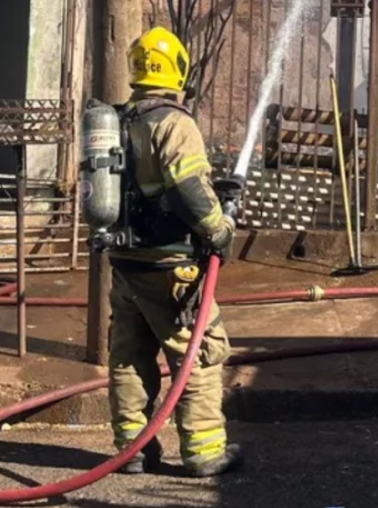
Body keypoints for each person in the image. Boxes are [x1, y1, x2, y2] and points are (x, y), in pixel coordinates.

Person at [107, 26, 241, 478]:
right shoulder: (174, 122)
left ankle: (132, 450)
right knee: (198, 354)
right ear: (177, 68)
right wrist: (219, 229)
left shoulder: (118, 120)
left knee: (130, 354)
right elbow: (186, 189)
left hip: (126, 263)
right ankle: (204, 452)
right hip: (172, 267)